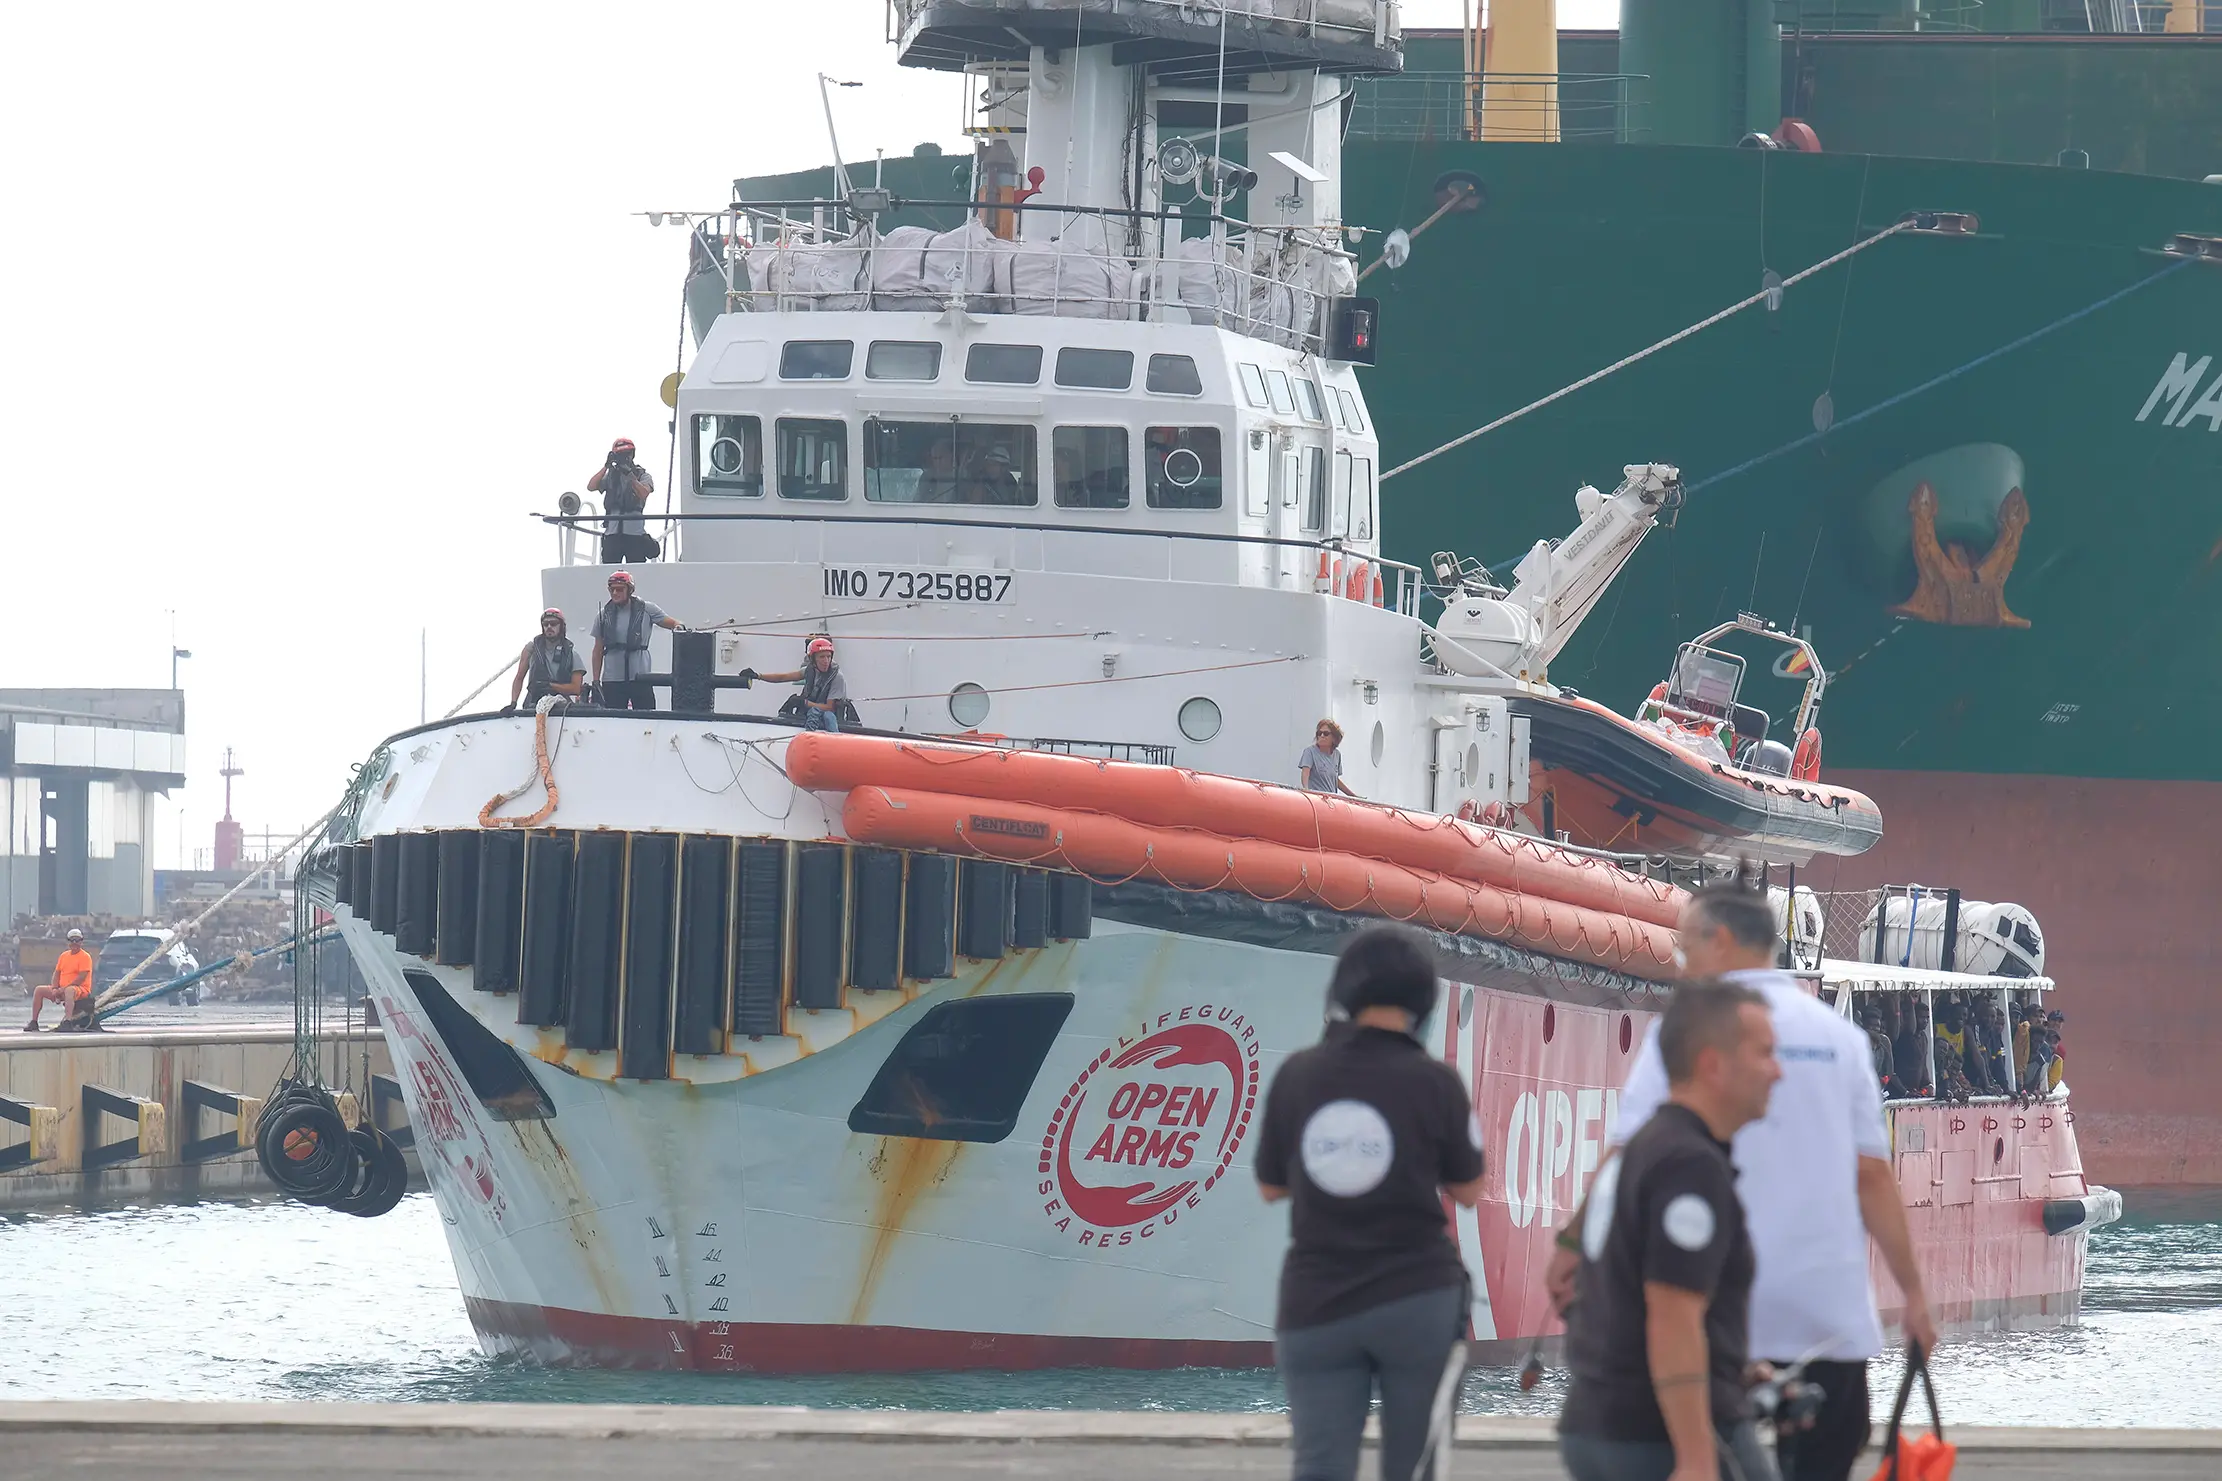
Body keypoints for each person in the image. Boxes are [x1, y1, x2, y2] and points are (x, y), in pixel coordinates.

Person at [1548, 883, 1939, 1481]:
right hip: (1820, 1312)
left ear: (1721, 940)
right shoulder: (1841, 1039)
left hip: (1706, 1302)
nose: (1683, 966)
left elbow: (1627, 1154)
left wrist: (1573, 1243)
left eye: (1685, 949)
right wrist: (1913, 1293)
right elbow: (1872, 1176)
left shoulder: (1688, 1036)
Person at [1254, 926, 1485, 1481]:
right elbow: (1469, 1190)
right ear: (1423, 1000)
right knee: (1415, 1468)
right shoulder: (1437, 1082)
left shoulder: (1298, 1075)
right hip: (1418, 1299)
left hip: (1317, 1301)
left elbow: (1270, 1187)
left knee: (1320, 1466)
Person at [1558, 978, 1781, 1481]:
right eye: (1765, 1053)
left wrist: (1728, 1363)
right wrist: (1697, 1456)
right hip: (1655, 1435)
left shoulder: (1643, 1149)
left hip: (1602, 1420)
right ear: (1712, 1064)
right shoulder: (1689, 1167)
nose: (1778, 1071)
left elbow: (1628, 1294)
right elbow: (1672, 1313)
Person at [589, 570, 683, 711]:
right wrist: (596, 681)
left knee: (646, 717)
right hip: (612, 680)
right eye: (612, 589)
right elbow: (598, 649)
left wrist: (679, 626)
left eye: (619, 589)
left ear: (630, 590)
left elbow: (671, 622)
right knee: (613, 720)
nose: (615, 593)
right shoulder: (603, 615)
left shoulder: (647, 609)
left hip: (640, 678)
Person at [755, 636, 850, 732]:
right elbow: (783, 677)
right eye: (822, 657)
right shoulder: (810, 670)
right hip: (811, 711)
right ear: (812, 659)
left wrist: (806, 703)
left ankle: (832, 739)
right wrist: (758, 676)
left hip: (829, 715)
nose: (826, 661)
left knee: (827, 716)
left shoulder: (837, 677)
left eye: (828, 656)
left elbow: (830, 707)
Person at [586, 437, 656, 564]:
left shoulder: (643, 475)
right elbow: (591, 486)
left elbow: (643, 493)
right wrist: (606, 466)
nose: (624, 458)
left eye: (626, 454)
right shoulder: (611, 476)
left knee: (637, 573)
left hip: (635, 535)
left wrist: (630, 475)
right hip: (612, 535)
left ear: (632, 455)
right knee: (608, 573)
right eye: (620, 455)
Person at [505, 608, 586, 711]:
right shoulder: (531, 649)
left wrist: (550, 686)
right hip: (533, 704)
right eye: (545, 624)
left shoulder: (572, 655)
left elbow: (576, 688)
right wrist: (513, 703)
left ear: (561, 626)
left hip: (561, 704)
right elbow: (519, 677)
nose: (549, 627)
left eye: (553, 624)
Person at [26, 928, 93, 1031]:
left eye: (77, 940)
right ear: (68, 942)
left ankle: (68, 1021)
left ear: (81, 942)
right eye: (72, 940)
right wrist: (54, 988)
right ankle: (34, 1022)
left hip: (80, 990)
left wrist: (63, 989)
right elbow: (56, 974)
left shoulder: (85, 957)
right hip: (62, 989)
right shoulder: (64, 956)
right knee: (39, 990)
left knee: (69, 990)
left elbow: (80, 978)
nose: (74, 943)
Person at [1300, 719, 1358, 797]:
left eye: (1326, 733)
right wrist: (1306, 789)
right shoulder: (1309, 752)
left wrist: (1352, 795)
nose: (1322, 736)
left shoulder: (1337, 755)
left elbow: (1335, 780)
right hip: (1317, 798)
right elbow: (1305, 772)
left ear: (1334, 738)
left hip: (1331, 799)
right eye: (1319, 733)